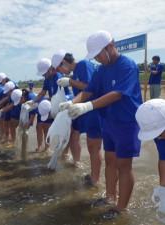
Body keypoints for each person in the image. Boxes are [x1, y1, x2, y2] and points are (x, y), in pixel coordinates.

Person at [59, 30, 142, 219]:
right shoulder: (101, 70)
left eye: (98, 54)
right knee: (110, 161)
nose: (97, 58)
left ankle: (121, 208)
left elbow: (118, 94)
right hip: (108, 121)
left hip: (126, 122)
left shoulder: (127, 65)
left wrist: (87, 106)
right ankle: (110, 197)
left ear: (110, 47)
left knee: (123, 164)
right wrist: (73, 104)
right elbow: (89, 90)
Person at [55, 51, 102, 185]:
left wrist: (70, 82)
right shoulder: (75, 72)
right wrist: (71, 102)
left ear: (64, 62)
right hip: (81, 109)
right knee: (74, 134)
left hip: (92, 109)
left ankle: (95, 179)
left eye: (60, 68)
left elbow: (89, 87)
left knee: (93, 145)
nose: (61, 71)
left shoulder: (83, 65)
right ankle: (77, 163)